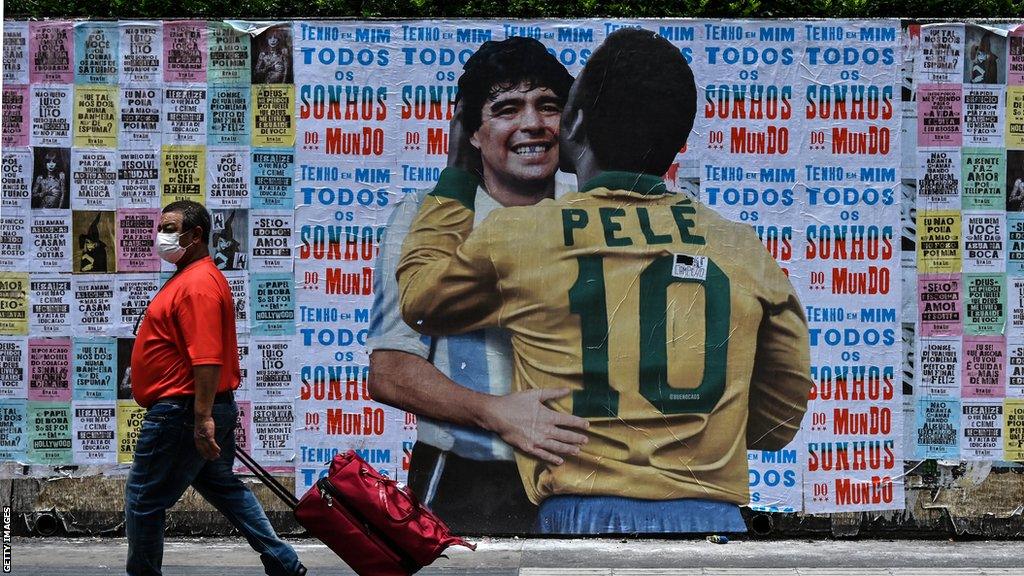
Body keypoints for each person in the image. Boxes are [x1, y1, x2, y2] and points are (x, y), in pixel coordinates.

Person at [397, 28, 812, 534]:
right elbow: (778, 422)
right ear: (680, 140)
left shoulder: (519, 235)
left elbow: (419, 299)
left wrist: (458, 175)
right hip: (714, 523)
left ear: (571, 124)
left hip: (578, 517)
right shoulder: (742, 247)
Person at [366, 37, 589, 533]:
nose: (532, 124)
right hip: (467, 482)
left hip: (590, 478)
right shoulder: (424, 219)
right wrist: (495, 413)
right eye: (507, 109)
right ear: (471, 132)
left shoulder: (598, 211)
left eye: (547, 106)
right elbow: (390, 370)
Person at [125, 200, 304, 576]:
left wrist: (202, 417)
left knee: (144, 498)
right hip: (196, 407)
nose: (162, 236)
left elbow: (206, 358)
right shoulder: (191, 277)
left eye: (171, 229)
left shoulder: (197, 285)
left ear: (196, 236)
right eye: (163, 228)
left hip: (183, 411)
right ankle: (283, 561)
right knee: (222, 486)